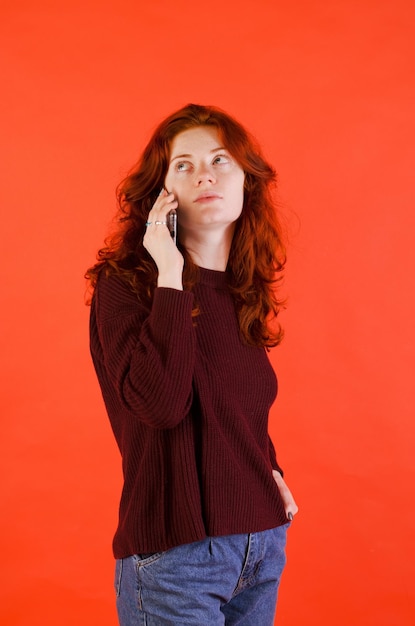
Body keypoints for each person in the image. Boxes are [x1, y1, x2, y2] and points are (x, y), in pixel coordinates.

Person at [86, 103, 298, 626]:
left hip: (261, 543)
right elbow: (161, 405)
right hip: (177, 555)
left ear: (247, 179)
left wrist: (270, 468)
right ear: (163, 192)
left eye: (220, 160)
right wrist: (170, 272)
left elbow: (238, 404)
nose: (204, 173)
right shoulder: (127, 286)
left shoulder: (243, 291)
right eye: (183, 164)